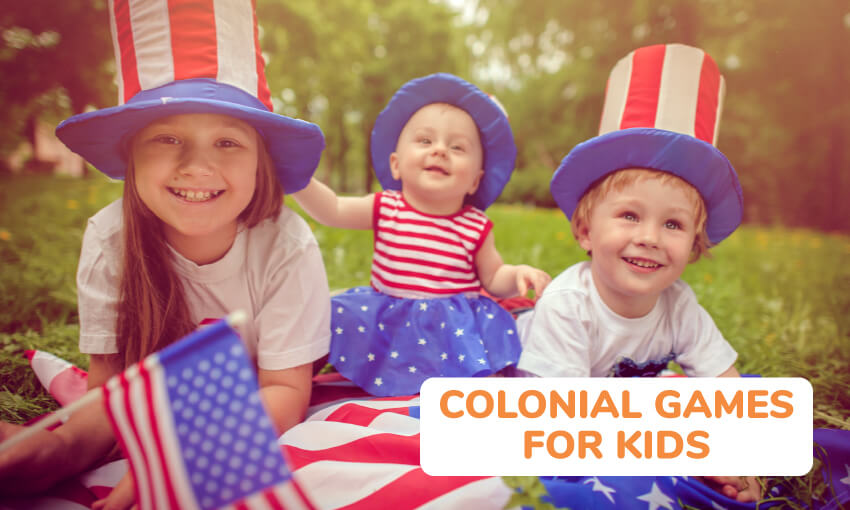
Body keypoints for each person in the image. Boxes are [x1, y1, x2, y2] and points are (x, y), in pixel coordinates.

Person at [0, 0, 330, 505]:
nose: (196, 166)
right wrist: (58, 449)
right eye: (168, 137)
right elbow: (109, 391)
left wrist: (178, 458)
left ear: (261, 163)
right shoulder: (111, 239)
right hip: (160, 396)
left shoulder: (286, 245)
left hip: (252, 396)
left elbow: (284, 391)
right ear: (130, 154)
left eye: (227, 142)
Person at [515, 44, 760, 502]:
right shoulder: (569, 305)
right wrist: (686, 445)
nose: (649, 237)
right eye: (629, 215)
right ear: (586, 231)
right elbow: (564, 426)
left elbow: (725, 384)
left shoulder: (679, 303)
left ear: (693, 246)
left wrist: (735, 453)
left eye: (672, 224)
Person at [294, 73, 551, 397]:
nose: (440, 150)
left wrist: (517, 274)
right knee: (329, 317)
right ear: (396, 165)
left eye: (457, 147)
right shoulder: (387, 207)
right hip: (388, 323)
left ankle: (484, 403)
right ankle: (291, 377)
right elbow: (332, 210)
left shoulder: (474, 225)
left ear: (475, 180)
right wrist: (298, 179)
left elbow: (493, 276)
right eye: (425, 141)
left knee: (487, 368)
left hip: (451, 330)